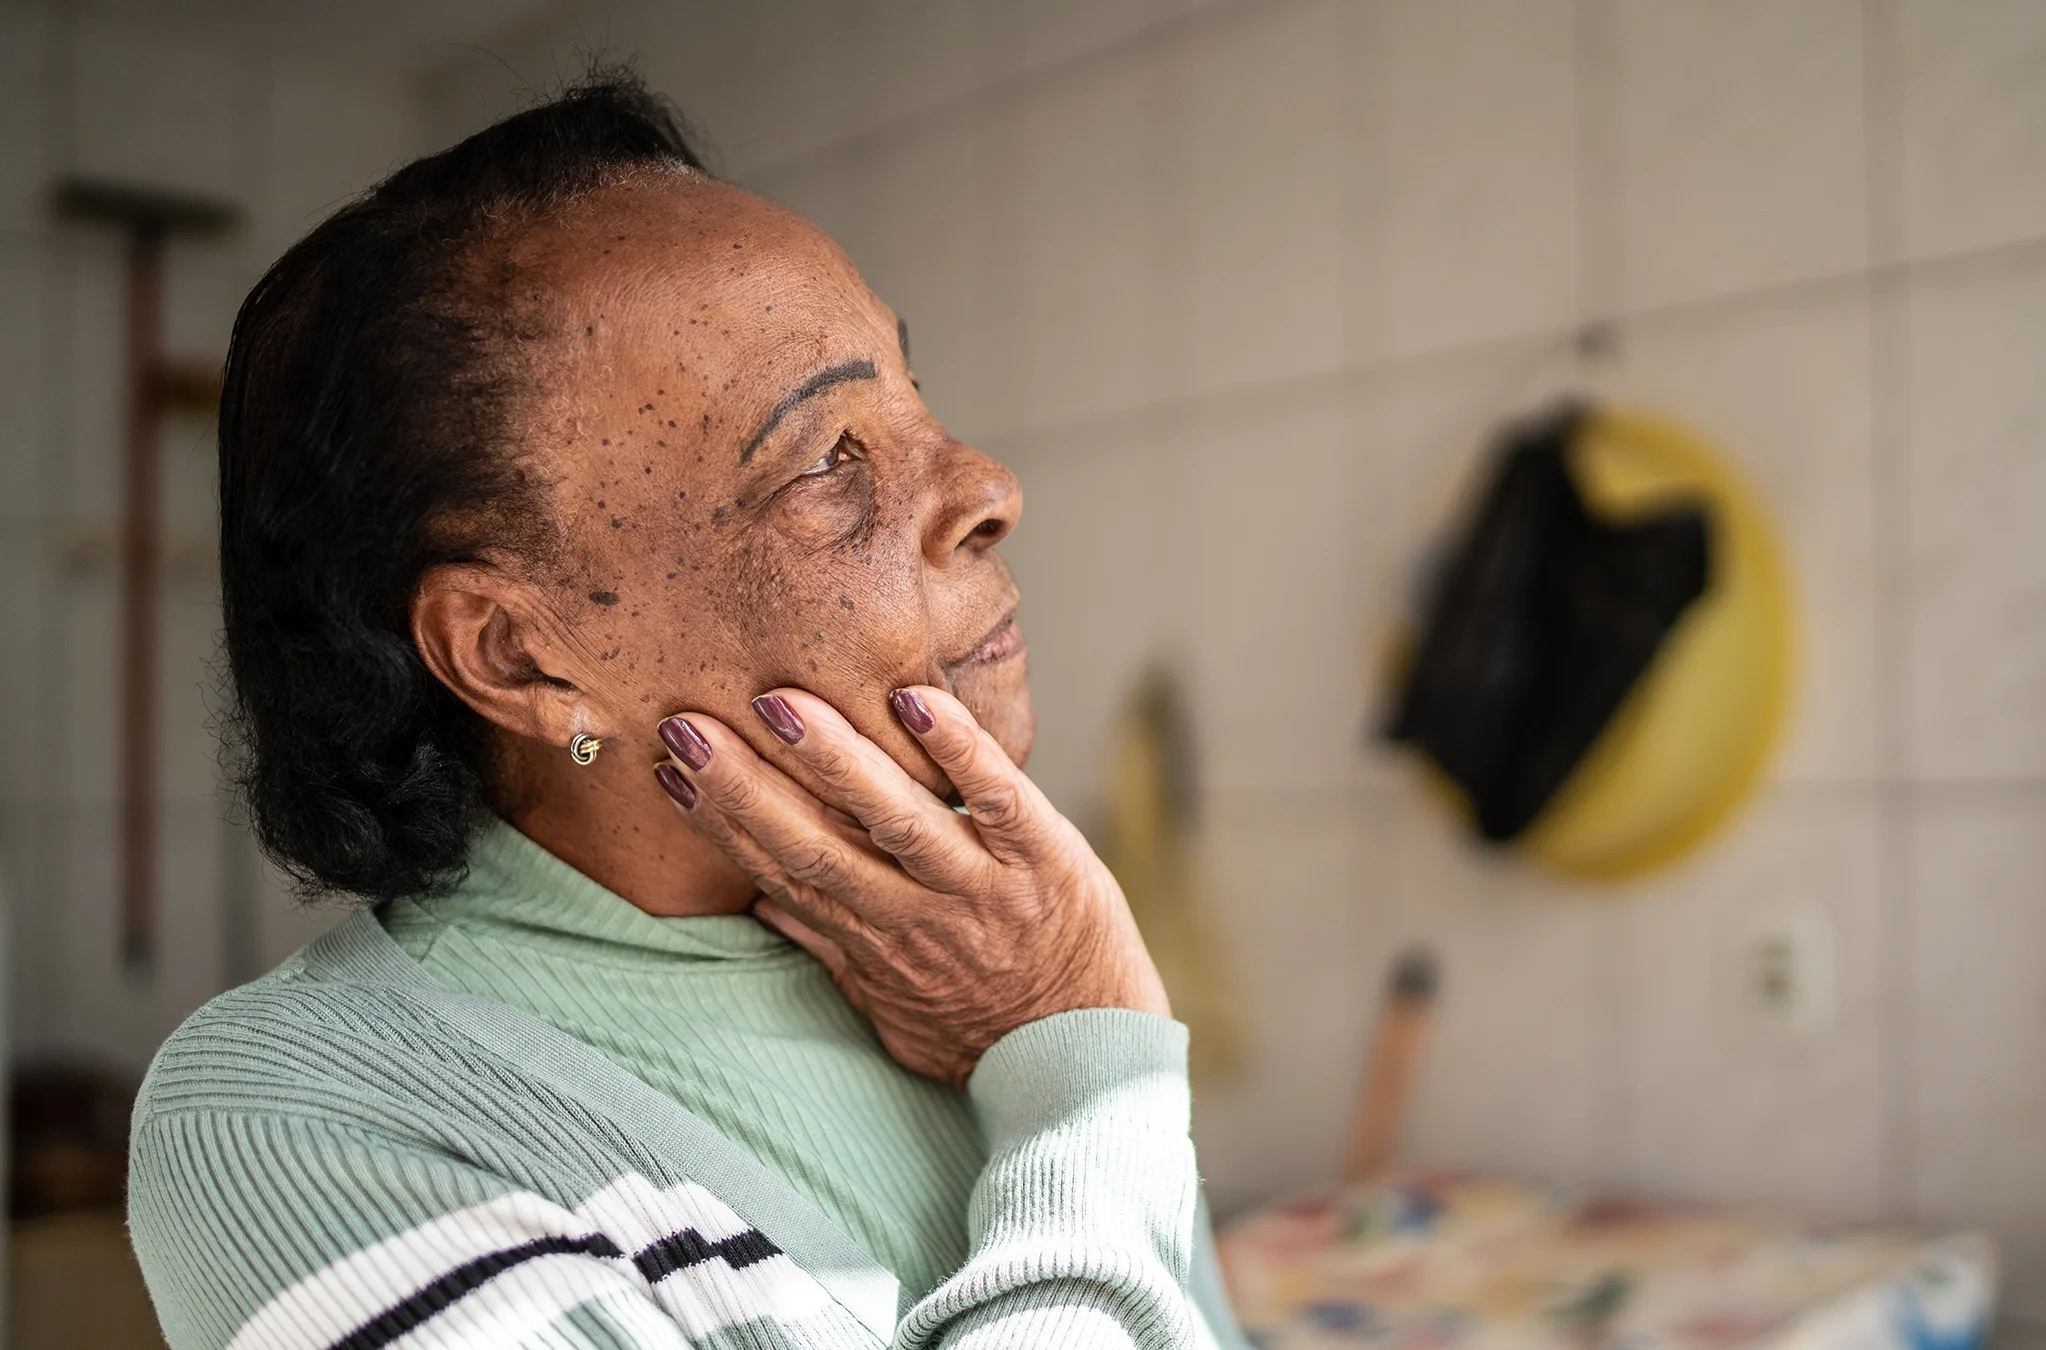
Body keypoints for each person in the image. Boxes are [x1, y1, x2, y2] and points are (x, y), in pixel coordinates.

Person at [128, 73, 1242, 1350]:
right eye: (828, 460)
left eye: (915, 395)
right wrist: (1085, 1081)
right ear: (521, 656)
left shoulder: (964, 961)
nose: (986, 486)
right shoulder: (303, 1113)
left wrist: (1049, 1037)